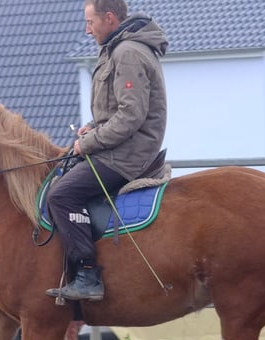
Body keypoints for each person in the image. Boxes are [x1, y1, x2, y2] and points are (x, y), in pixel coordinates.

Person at [46, 0, 168, 302]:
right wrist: (92, 127)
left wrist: (87, 142)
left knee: (60, 195)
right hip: (117, 145)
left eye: (91, 22)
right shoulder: (118, 48)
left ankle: (88, 275)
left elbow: (130, 116)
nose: (87, 30)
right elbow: (114, 111)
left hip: (127, 154)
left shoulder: (127, 53)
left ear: (109, 18)